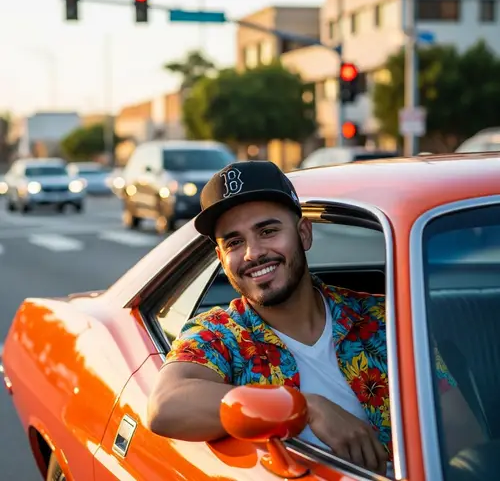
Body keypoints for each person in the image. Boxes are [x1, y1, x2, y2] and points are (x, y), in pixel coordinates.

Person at [147, 160, 485, 476]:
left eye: (267, 231)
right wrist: (306, 407)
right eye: (234, 242)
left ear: (304, 234)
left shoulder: (382, 319)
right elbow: (165, 405)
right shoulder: (221, 334)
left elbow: (464, 437)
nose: (253, 253)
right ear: (222, 258)